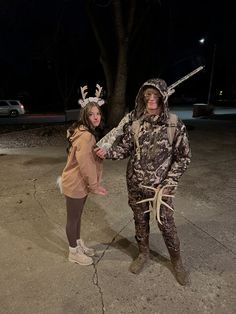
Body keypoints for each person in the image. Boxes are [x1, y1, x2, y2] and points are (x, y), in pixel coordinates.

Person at [95, 78, 191, 285]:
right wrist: (107, 152)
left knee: (166, 225)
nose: (151, 99)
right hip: (136, 184)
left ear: (163, 97)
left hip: (160, 189)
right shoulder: (137, 123)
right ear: (142, 97)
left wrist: (170, 182)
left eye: (155, 95)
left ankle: (177, 262)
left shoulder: (174, 124)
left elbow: (183, 157)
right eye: (147, 95)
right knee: (140, 221)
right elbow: (126, 149)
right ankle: (143, 254)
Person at [60, 99, 107, 266]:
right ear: (85, 116)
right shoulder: (86, 136)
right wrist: (94, 185)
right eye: (91, 114)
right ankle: (73, 252)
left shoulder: (84, 132)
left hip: (80, 183)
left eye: (98, 113)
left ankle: (78, 244)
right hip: (75, 183)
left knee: (78, 216)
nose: (96, 117)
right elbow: (85, 164)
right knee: (72, 219)